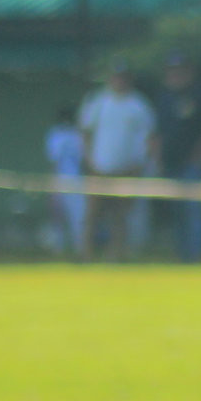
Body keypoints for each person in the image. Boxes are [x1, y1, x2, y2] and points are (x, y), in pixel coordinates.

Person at [78, 62, 156, 260]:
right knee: (92, 215)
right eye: (116, 77)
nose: (119, 81)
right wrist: (89, 162)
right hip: (99, 169)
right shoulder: (98, 102)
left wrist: (140, 164)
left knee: (120, 216)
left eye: (123, 77)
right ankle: (86, 255)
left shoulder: (139, 105)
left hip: (127, 170)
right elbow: (86, 132)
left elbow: (150, 138)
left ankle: (117, 255)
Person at [152, 51, 201, 262]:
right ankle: (182, 256)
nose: (176, 76)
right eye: (172, 71)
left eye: (180, 71)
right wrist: (158, 160)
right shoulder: (164, 98)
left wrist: (200, 156)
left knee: (194, 211)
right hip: (171, 163)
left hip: (192, 164)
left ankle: (198, 255)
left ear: (189, 72)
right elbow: (158, 133)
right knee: (178, 212)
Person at [43, 104, 87, 258]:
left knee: (78, 217)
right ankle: (59, 249)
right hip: (62, 179)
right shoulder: (56, 134)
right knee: (58, 216)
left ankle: (79, 249)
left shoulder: (78, 134)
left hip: (75, 180)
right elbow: (54, 160)